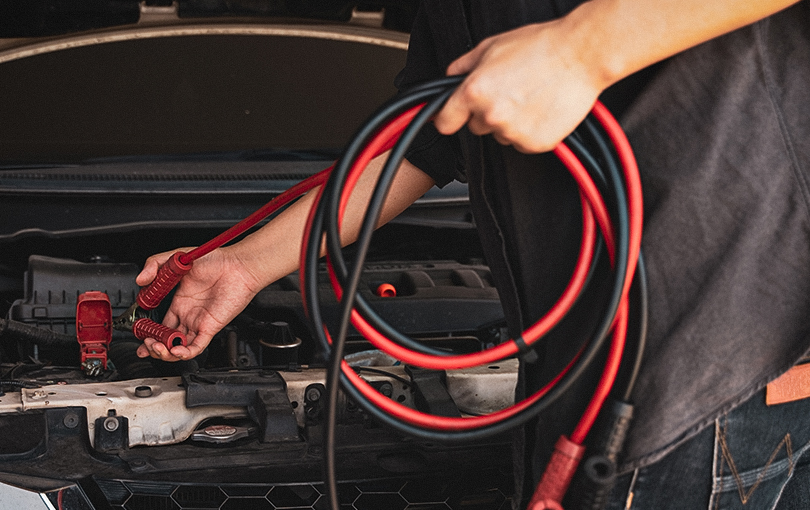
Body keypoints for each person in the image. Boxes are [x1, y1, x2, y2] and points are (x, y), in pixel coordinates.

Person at [137, 0, 810, 507]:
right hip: (568, 373)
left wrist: (580, 52)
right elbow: (429, 135)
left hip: (715, 367)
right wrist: (248, 264)